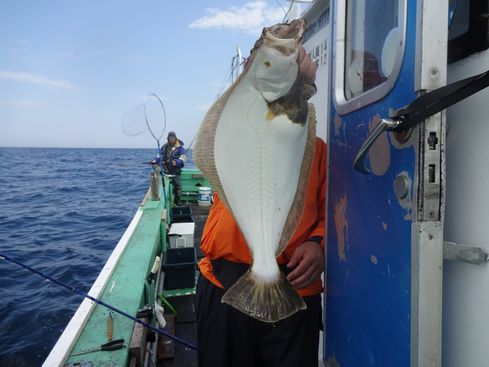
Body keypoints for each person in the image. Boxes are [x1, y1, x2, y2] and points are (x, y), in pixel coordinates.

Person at [196, 48, 326, 367]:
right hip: (223, 282)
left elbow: (335, 213)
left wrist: (319, 244)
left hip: (294, 286)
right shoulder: (233, 133)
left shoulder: (318, 150)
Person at [161, 131, 186, 206]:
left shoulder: (180, 147)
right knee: (165, 186)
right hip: (166, 170)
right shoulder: (165, 146)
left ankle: (177, 201)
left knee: (177, 186)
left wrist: (177, 162)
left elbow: (184, 157)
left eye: (173, 137)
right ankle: (165, 202)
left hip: (175, 171)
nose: (171, 139)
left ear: (175, 138)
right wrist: (155, 160)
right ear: (168, 138)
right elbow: (159, 155)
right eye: (170, 137)